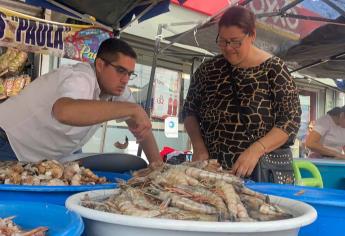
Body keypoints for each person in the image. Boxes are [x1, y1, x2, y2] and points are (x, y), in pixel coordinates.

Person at [182, 6, 301, 183]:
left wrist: (256, 150)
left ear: (252, 35)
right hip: (213, 174)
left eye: (235, 42)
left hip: (261, 173)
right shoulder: (208, 70)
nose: (228, 48)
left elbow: (290, 121)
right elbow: (189, 111)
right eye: (223, 41)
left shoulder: (274, 69)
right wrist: (198, 146)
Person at [0, 38, 163, 167]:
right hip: (9, 142)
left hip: (48, 156)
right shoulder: (80, 77)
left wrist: (158, 170)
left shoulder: (118, 90)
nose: (125, 79)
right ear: (100, 65)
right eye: (120, 71)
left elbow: (143, 128)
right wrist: (133, 109)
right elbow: (64, 112)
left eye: (130, 74)